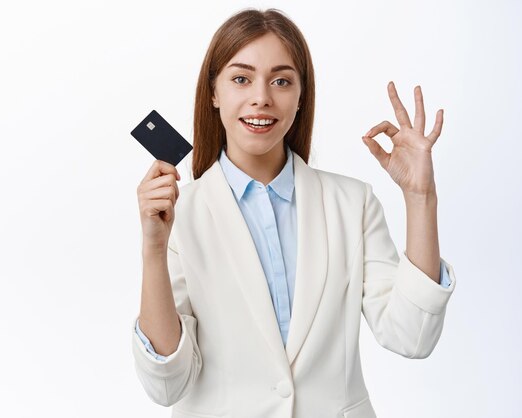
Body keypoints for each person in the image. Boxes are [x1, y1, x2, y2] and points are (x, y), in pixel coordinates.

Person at [131, 8, 455, 418]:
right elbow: (167, 383)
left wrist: (420, 196)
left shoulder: (351, 203)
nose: (262, 97)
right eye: (241, 78)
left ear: (301, 96)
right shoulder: (179, 213)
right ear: (214, 92)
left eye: (281, 80)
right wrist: (153, 247)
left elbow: (412, 335)